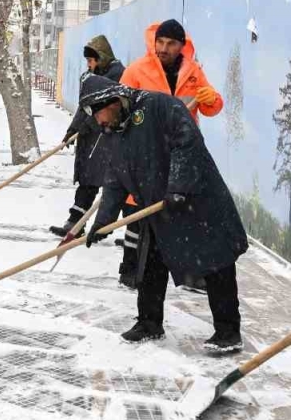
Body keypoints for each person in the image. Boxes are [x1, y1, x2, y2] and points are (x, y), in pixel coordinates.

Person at [80, 73, 248, 353]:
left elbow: (187, 142)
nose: (100, 122)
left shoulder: (159, 106)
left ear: (112, 101)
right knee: (150, 266)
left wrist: (179, 186)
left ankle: (228, 332)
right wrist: (103, 223)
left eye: (99, 114)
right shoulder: (115, 133)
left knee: (216, 264)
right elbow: (114, 179)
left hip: (196, 200)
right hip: (158, 208)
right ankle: (149, 322)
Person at [116, 19, 224, 293]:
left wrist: (211, 97)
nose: (163, 48)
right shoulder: (137, 71)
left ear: (181, 46)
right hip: (148, 152)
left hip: (183, 155)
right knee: (140, 212)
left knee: (184, 213)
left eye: (170, 44)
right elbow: (120, 109)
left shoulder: (193, 72)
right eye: (160, 42)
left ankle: (190, 273)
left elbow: (212, 108)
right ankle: (130, 269)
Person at [51, 35, 126, 237]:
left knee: (111, 184)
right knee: (88, 178)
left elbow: (107, 110)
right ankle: (75, 223)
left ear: (101, 58)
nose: (88, 64)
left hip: (108, 135)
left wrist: (85, 127)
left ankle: (103, 228)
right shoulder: (92, 77)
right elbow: (84, 107)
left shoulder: (117, 75)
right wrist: (72, 129)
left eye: (91, 60)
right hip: (92, 138)